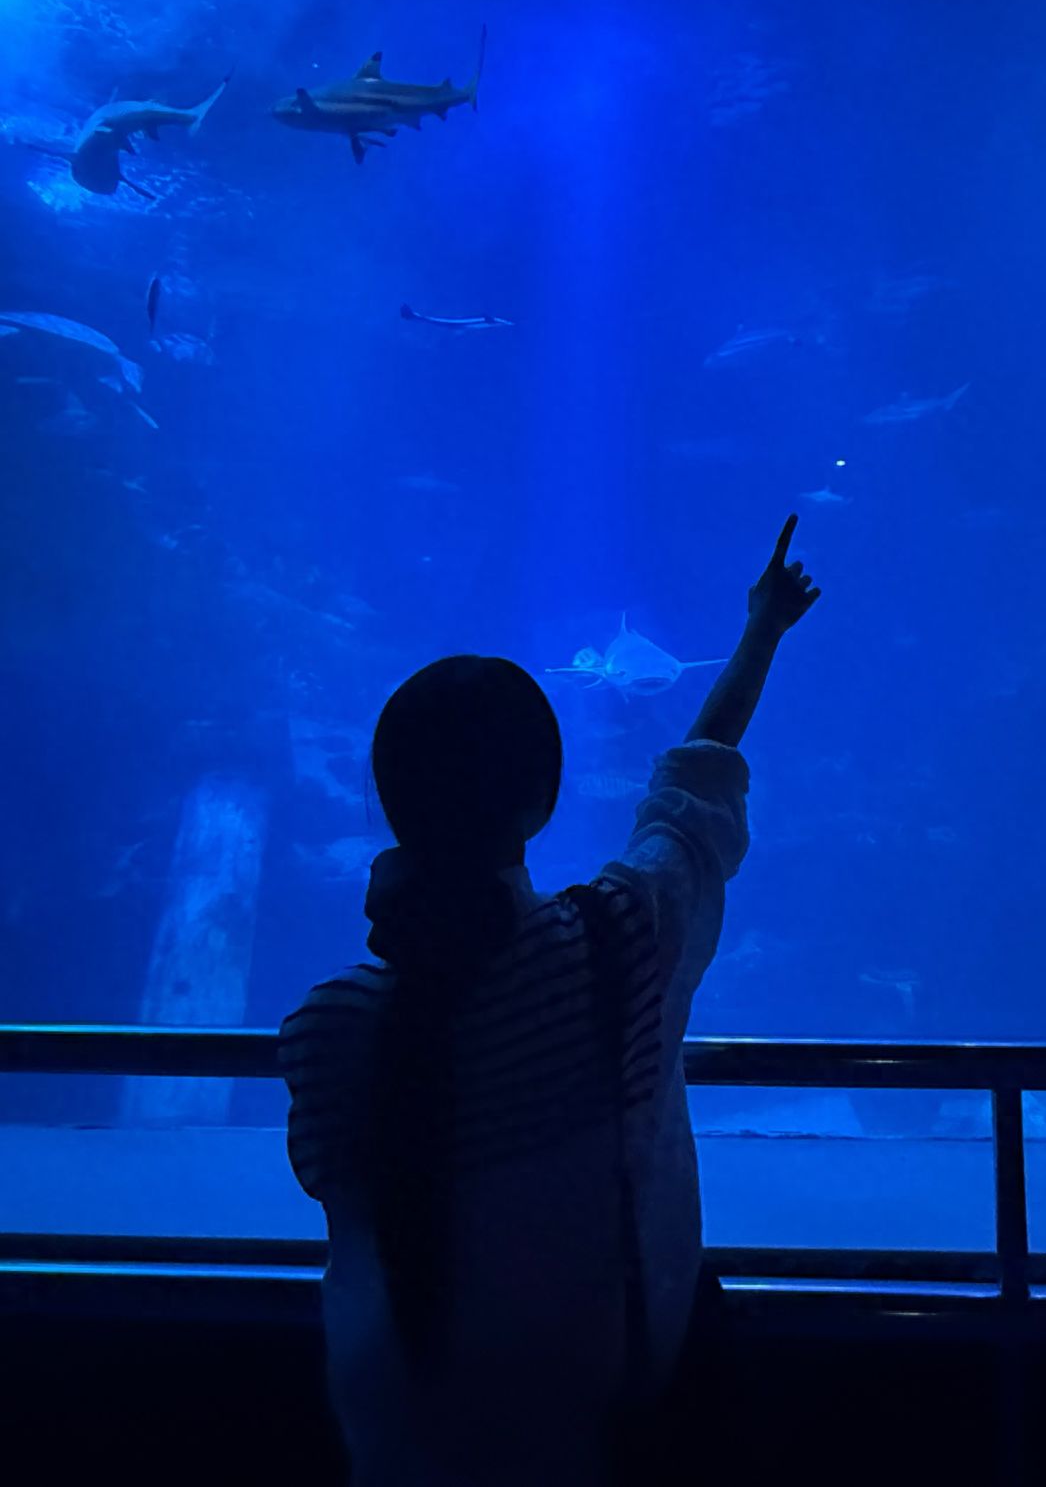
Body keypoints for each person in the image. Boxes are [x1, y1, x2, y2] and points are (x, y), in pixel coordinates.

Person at [279, 514, 821, 1487]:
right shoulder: (619, 944)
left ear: (390, 802)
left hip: (406, 1447)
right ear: (541, 801)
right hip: (601, 1432)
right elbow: (692, 790)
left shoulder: (328, 1031)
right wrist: (762, 630)